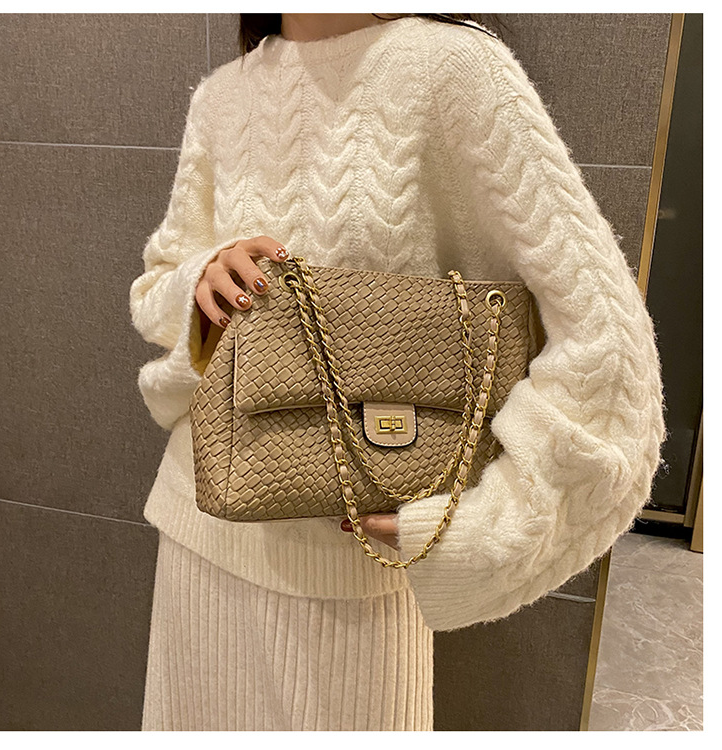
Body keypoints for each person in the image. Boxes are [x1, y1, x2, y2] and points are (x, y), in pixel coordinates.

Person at [129, 13, 667, 731]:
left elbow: (608, 345)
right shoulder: (223, 95)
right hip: (198, 531)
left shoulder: (454, 69)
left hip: (353, 573)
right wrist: (203, 279)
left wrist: (482, 533)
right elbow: (156, 286)